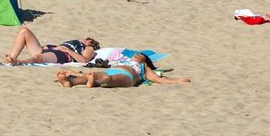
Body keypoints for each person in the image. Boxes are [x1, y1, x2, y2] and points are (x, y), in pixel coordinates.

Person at [56, 52, 190, 88]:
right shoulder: (123, 60)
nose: (136, 54)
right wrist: (75, 73)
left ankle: (93, 83)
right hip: (113, 70)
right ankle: (70, 82)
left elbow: (159, 80)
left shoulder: (145, 68)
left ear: (144, 60)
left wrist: (178, 81)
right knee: (93, 74)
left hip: (129, 77)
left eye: (140, 54)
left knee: (108, 79)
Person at [3, 26, 100, 65]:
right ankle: (11, 58)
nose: (83, 39)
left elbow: (84, 60)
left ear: (89, 41)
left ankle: (18, 62)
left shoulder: (89, 48)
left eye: (86, 39)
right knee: (24, 31)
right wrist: (49, 47)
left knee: (38, 58)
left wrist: (67, 51)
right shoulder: (76, 42)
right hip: (51, 49)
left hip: (62, 55)